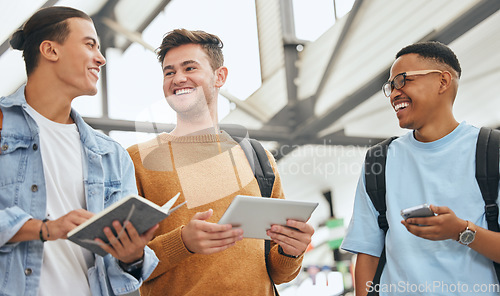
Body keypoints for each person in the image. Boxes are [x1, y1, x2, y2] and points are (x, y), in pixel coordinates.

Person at [127, 28, 315, 296]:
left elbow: (277, 273)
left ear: (220, 76)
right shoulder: (137, 161)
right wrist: (182, 242)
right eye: (169, 72)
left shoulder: (258, 159)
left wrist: (291, 251)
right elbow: (124, 264)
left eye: (189, 68)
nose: (178, 78)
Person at [0, 6, 159, 296]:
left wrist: (132, 256)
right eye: (89, 45)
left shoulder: (111, 155)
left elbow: (120, 273)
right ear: (50, 50)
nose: (101, 58)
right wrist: (44, 228)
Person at [341, 41, 500, 296]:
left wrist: (461, 231)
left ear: (443, 82)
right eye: (390, 86)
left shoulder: (492, 151)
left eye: (403, 80)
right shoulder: (379, 161)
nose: (394, 94)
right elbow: (368, 255)